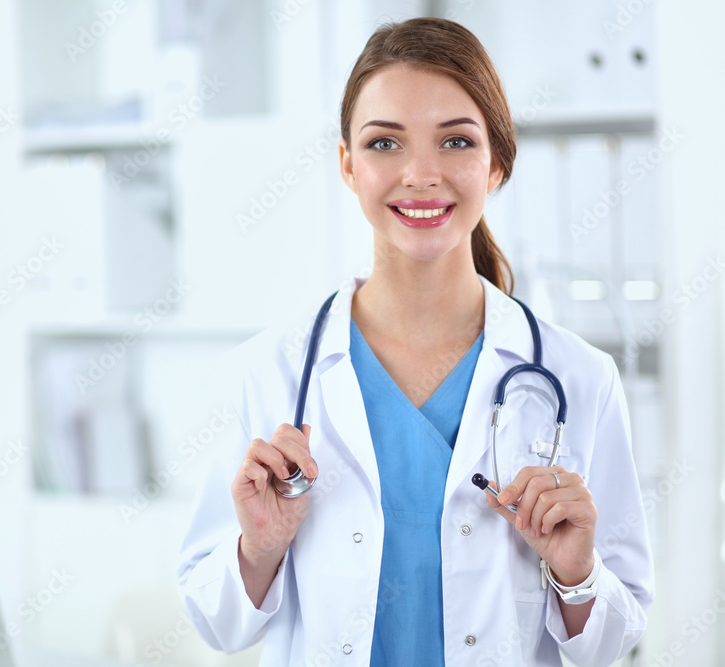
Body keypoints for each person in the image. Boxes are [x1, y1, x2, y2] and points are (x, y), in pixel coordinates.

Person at [176, 16, 654, 667]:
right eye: (384, 144)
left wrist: (577, 573)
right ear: (347, 163)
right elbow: (216, 622)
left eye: (456, 142)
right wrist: (257, 551)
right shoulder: (267, 372)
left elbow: (614, 642)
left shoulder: (581, 379)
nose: (421, 174)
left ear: (497, 164)